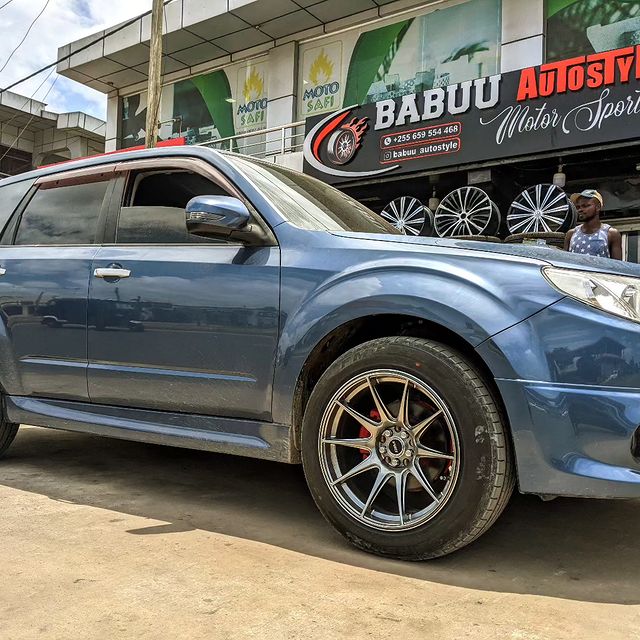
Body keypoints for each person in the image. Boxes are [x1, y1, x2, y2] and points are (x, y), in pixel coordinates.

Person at [564, 189, 622, 260]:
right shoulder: (571, 234)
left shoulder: (611, 234)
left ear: (598, 207)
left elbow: (617, 266)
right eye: (578, 207)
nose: (580, 209)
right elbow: (565, 262)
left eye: (585, 206)